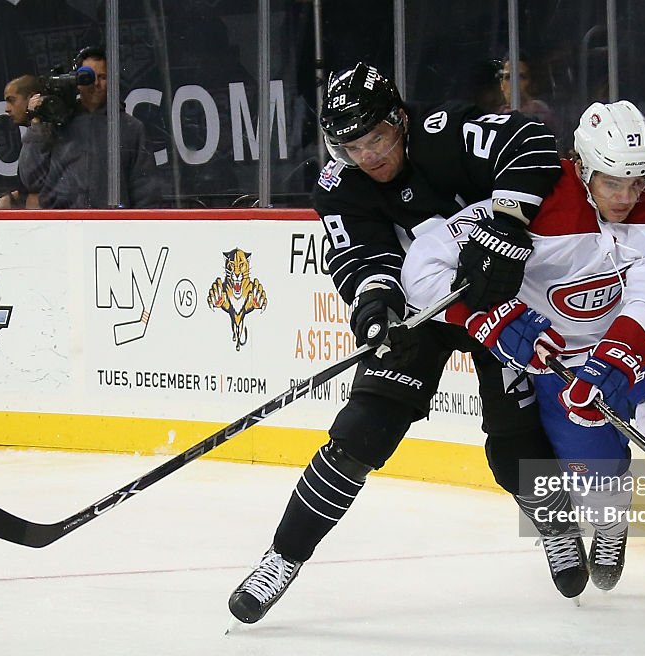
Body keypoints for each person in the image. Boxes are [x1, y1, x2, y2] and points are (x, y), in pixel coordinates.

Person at [401, 100, 645, 629]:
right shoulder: (537, 198)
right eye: (613, 183)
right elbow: (423, 265)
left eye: (639, 182)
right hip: (559, 354)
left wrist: (618, 357)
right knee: (599, 477)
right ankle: (611, 520)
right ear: (583, 168)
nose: (628, 197)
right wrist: (494, 319)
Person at [228, 62, 589, 625]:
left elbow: (533, 141)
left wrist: (509, 221)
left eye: (376, 138)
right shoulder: (338, 183)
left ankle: (556, 522)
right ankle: (283, 557)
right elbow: (361, 254)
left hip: (498, 296)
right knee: (359, 434)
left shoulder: (445, 134)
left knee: (513, 442)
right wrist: (375, 303)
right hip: (423, 307)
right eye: (351, 146)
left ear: (400, 118)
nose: (367, 156)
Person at [18, 46, 161, 209]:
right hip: (60, 226)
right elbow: (32, 179)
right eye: (88, 77)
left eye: (103, 77)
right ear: (76, 82)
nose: (96, 84)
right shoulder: (55, 125)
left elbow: (146, 192)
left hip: (111, 227)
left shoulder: (131, 128)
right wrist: (37, 124)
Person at [0, 74, 41, 209]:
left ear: (32, 98)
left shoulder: (45, 134)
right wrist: (11, 197)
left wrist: (36, 125)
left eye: (12, 100)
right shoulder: (34, 133)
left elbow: (32, 181)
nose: (6, 109)